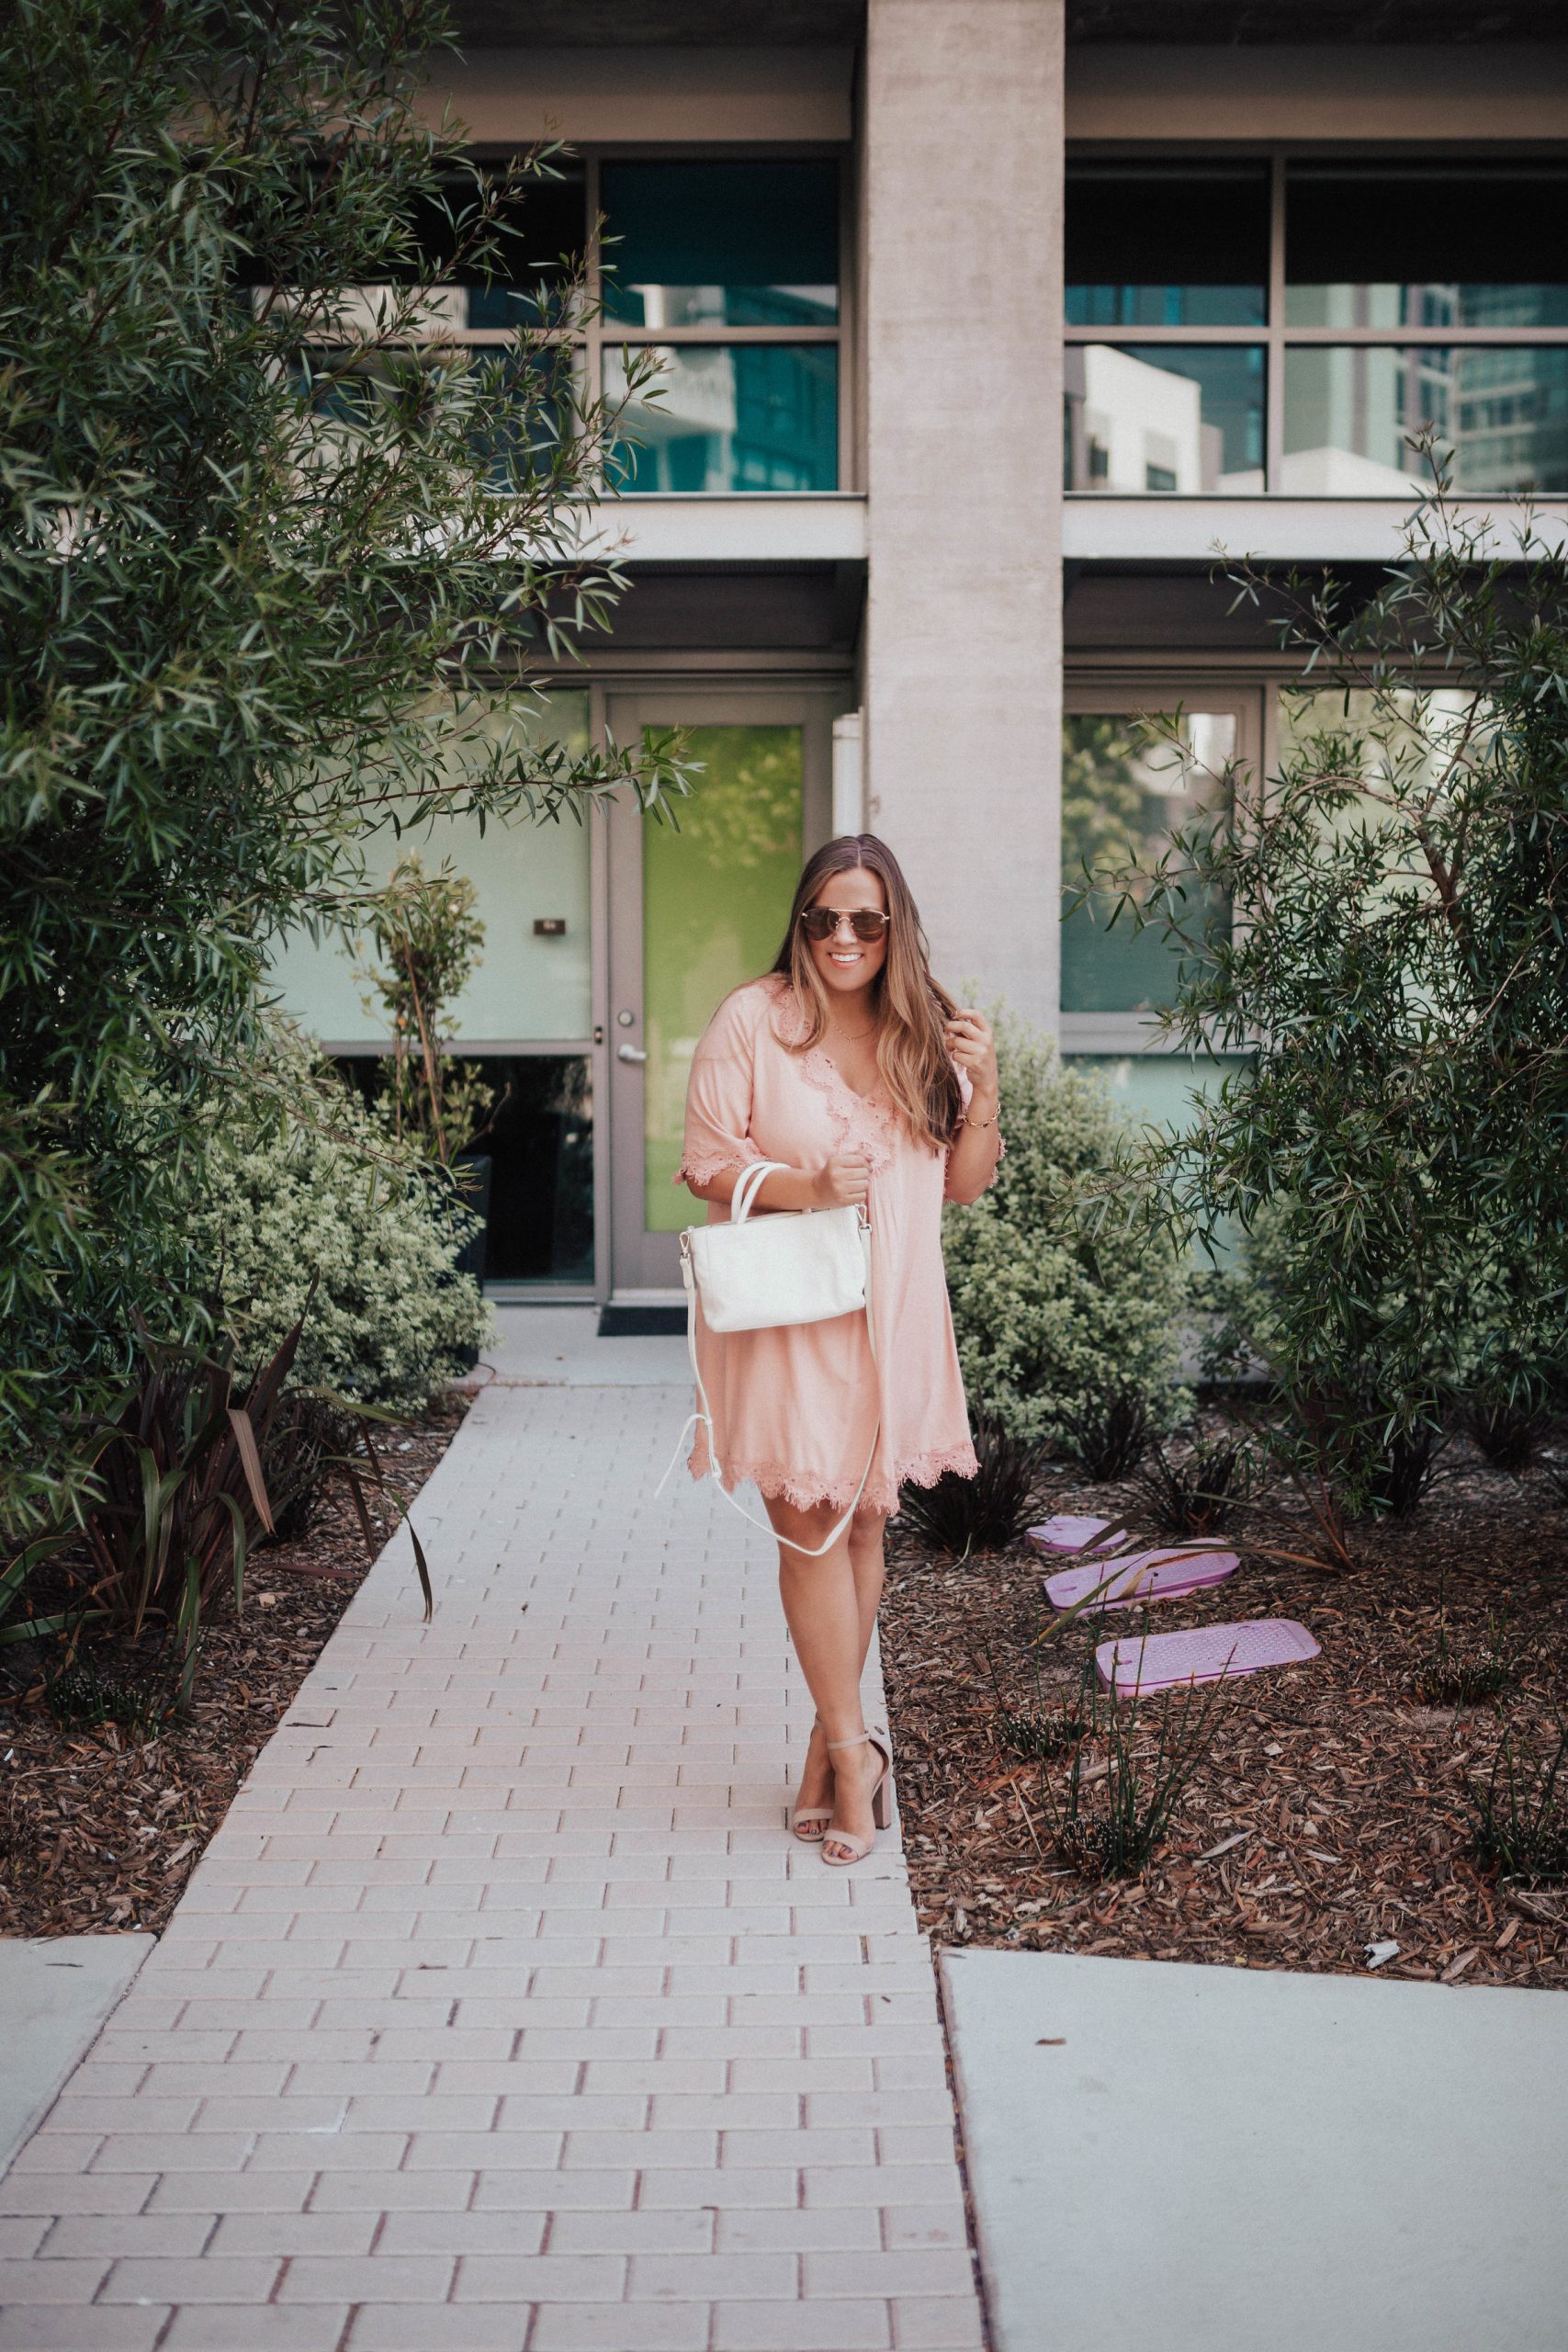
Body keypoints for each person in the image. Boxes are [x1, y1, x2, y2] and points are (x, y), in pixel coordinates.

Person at [678, 833, 1001, 1865]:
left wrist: (985, 1086)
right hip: (791, 1316)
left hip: (895, 1310)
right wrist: (808, 1187)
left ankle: (832, 1749)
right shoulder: (755, 1019)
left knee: (862, 1526)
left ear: (895, 925)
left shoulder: (927, 1033)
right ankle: (856, 1756)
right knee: (810, 1531)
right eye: (824, 917)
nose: (843, 936)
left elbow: (964, 1184)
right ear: (801, 921)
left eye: (866, 918)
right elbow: (704, 1160)